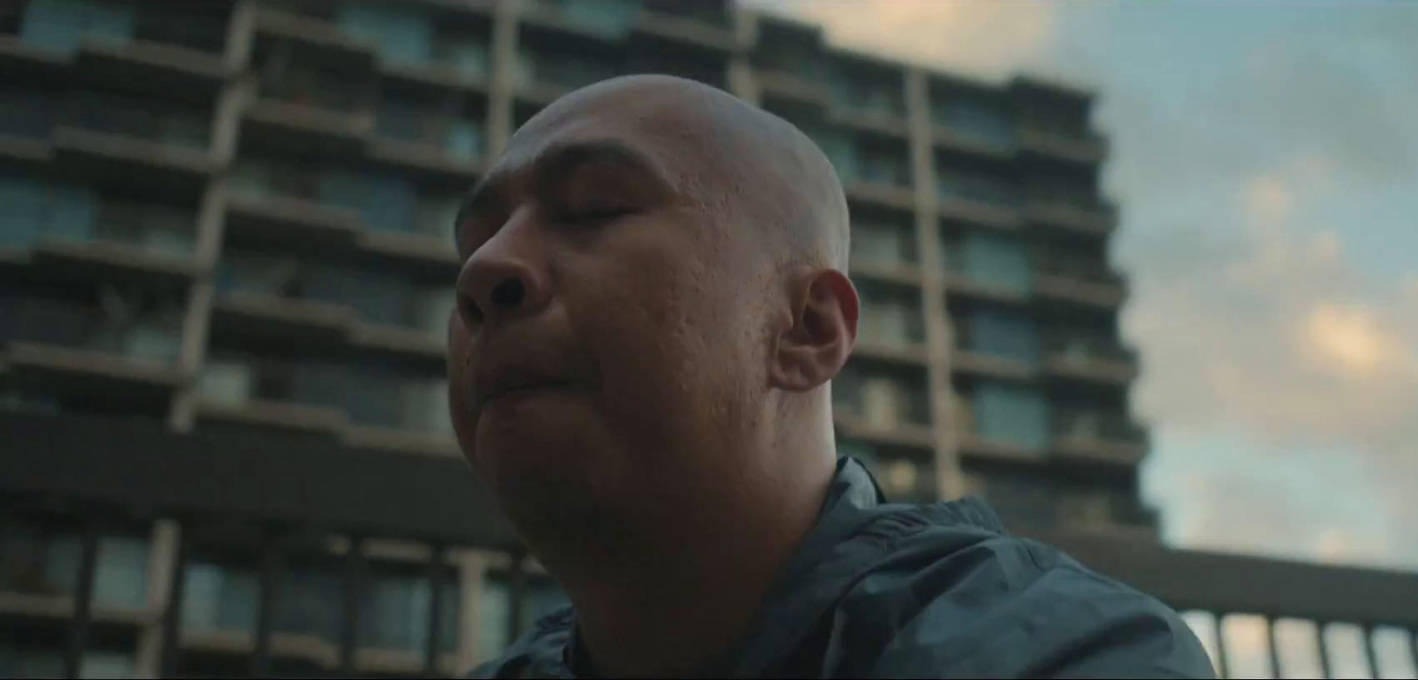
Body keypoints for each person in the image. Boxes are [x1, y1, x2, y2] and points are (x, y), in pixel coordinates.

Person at [450, 74, 1215, 679]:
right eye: (475, 242)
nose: (485, 269)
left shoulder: (1059, 651)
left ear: (809, 328)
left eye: (594, 209)